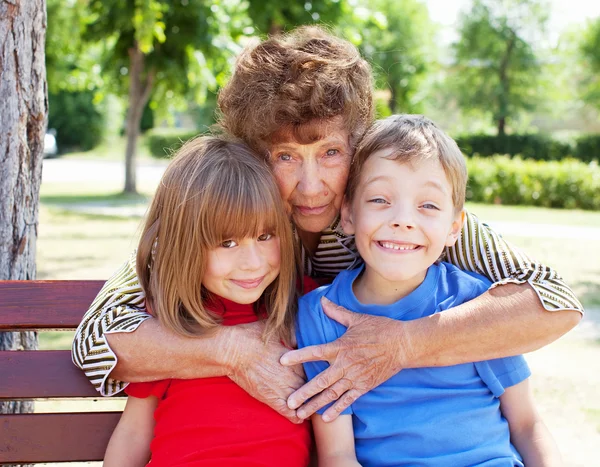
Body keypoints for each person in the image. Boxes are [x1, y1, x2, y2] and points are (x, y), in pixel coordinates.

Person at [72, 26, 582, 425]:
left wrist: (403, 343)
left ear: (358, 144)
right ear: (254, 153)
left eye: (331, 152)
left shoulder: (395, 213)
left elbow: (556, 303)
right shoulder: (229, 221)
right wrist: (231, 352)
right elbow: (95, 340)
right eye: (286, 156)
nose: (311, 185)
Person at [297, 114, 562, 467]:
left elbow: (528, 426)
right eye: (379, 199)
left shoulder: (476, 302)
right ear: (347, 214)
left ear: (454, 228)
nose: (403, 219)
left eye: (428, 205)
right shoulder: (320, 314)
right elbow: (337, 455)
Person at [103, 135, 312, 466]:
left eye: (264, 236)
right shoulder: (172, 322)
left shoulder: (307, 309)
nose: (253, 262)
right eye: (227, 243)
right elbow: (133, 433)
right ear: (184, 247)